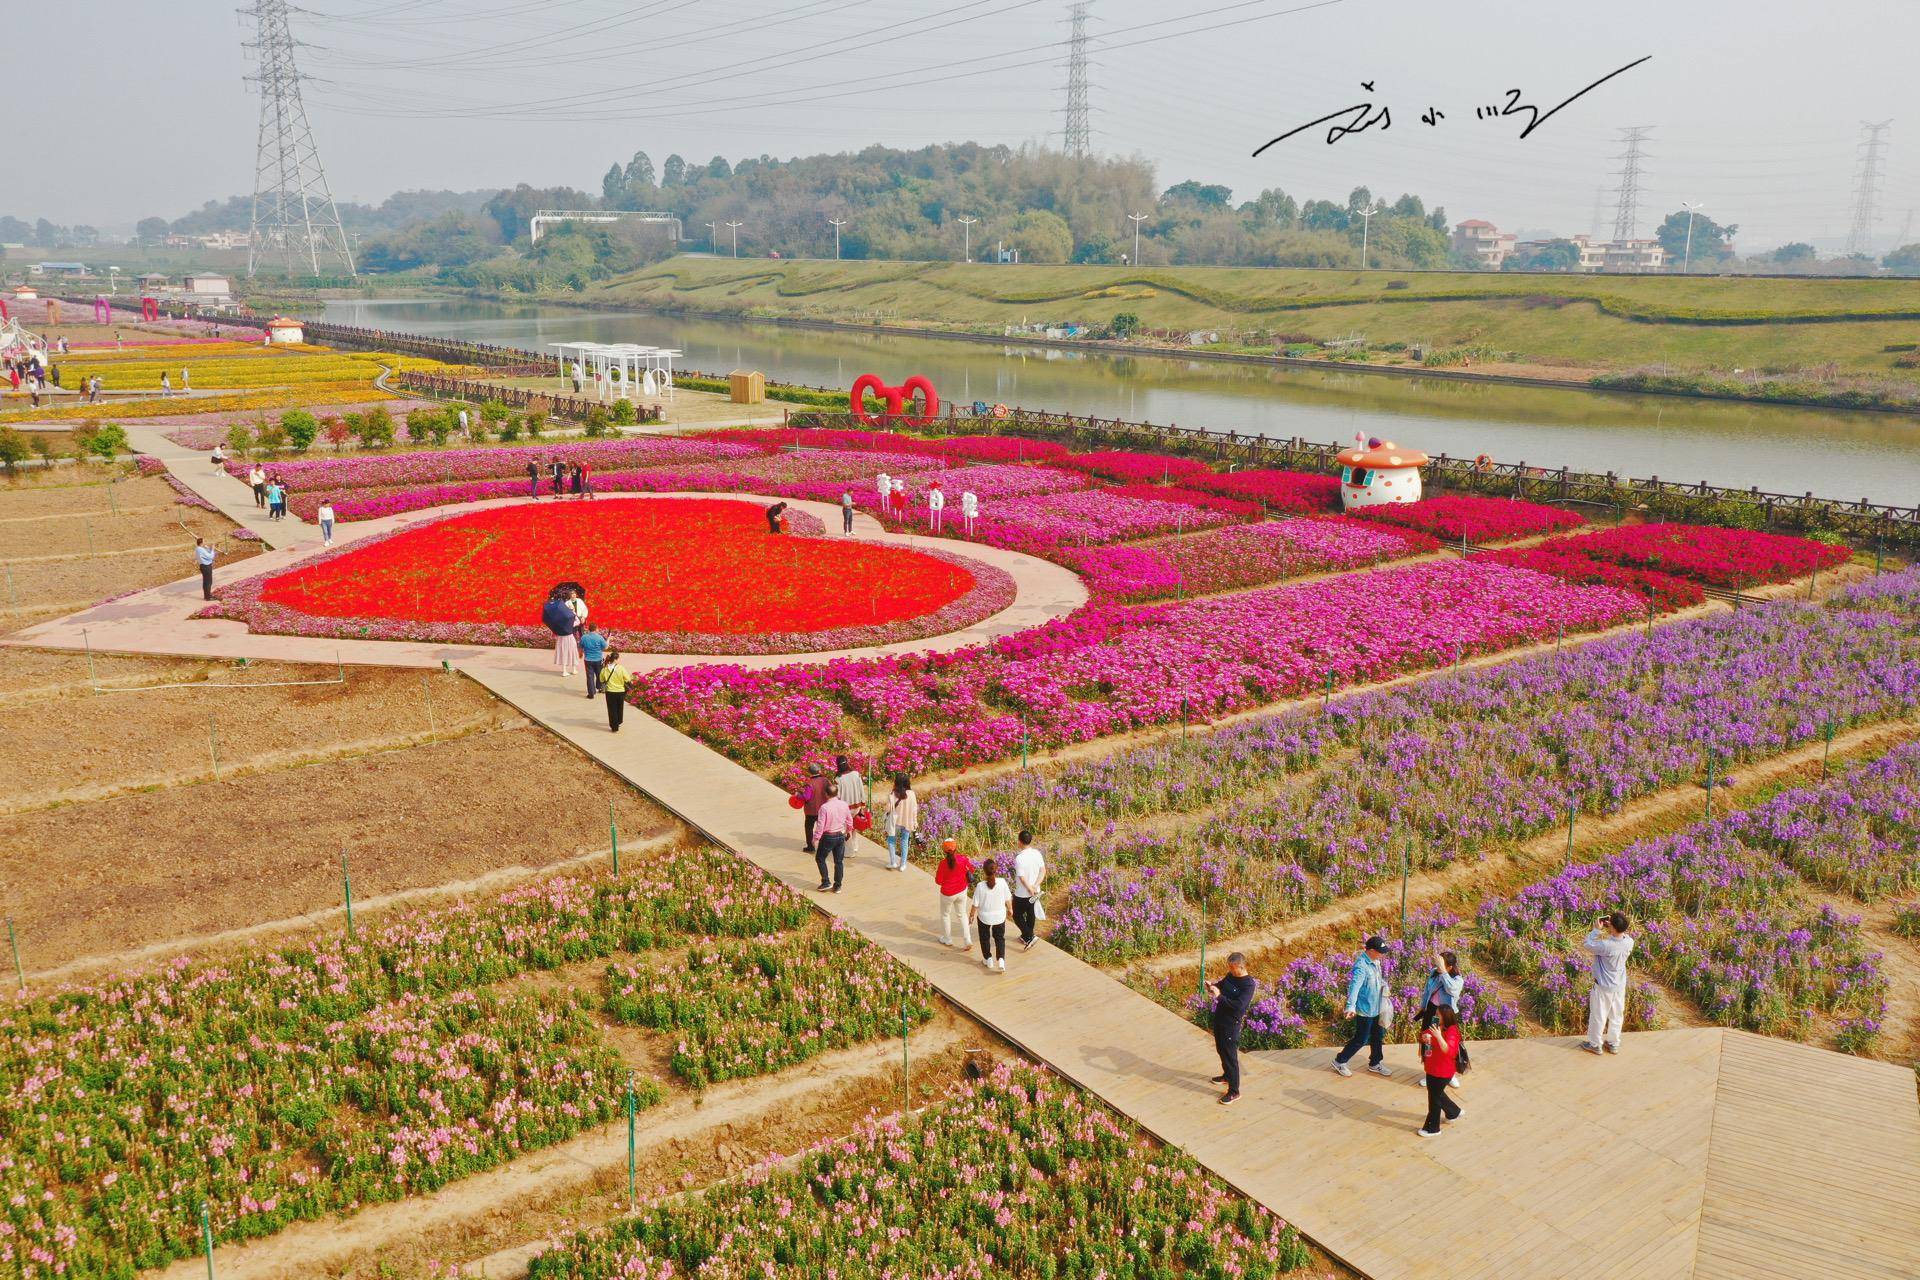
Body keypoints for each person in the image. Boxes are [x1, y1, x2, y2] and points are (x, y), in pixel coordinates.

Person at [1330, 936, 1392, 1078]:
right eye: (1379, 951)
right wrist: (1350, 1007)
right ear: (1370, 950)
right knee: (1361, 1039)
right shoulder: (1361, 966)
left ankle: (1375, 1063)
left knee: (1378, 1035)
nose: (1382, 954)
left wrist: (1384, 986)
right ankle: (1340, 1061)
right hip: (1365, 1010)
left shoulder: (1375, 962)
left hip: (1377, 1007)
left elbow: (1377, 980)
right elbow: (1354, 987)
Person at [1206, 952, 1258, 1106]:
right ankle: (1227, 1076)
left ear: (1241, 967)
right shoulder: (1231, 975)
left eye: (1232, 967)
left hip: (1231, 1024)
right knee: (1220, 1049)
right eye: (1229, 967)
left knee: (1230, 1057)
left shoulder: (1248, 984)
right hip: (1220, 1019)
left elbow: (1239, 1006)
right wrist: (1212, 986)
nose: (1229, 970)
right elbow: (1221, 985)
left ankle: (1234, 1091)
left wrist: (1219, 997)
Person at [1582, 912, 1635, 1056]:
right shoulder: (1629, 942)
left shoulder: (1606, 945)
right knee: (1617, 1015)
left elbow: (1587, 944)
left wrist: (1597, 929)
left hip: (1603, 987)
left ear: (1611, 927)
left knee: (1599, 1016)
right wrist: (1613, 927)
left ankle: (1595, 1044)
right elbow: (1622, 933)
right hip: (1619, 986)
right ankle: (1613, 1043)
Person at [1418, 946, 1471, 1083]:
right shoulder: (1434, 972)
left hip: (1445, 1014)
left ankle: (1451, 1073)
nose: (1437, 966)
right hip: (1431, 1011)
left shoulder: (1457, 980)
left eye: (1441, 964)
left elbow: (1452, 990)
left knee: (1448, 1043)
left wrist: (1443, 973)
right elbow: (1427, 991)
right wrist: (1422, 1007)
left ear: (1450, 967)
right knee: (1429, 1041)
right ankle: (1429, 1071)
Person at [1417, 1008, 1464, 1137]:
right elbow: (1425, 1035)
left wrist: (1437, 1036)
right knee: (1436, 1093)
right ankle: (1453, 1112)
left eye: (1438, 1014)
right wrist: (1425, 1037)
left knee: (1434, 1099)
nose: (1435, 1016)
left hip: (1443, 1071)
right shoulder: (1435, 1024)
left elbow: (1449, 1051)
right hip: (1432, 1067)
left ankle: (1433, 1128)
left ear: (1446, 1017)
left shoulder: (1452, 1031)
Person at [971, 859, 1013, 971]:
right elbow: (1008, 899)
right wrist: (1010, 909)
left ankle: (987, 959)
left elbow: (975, 904)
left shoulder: (980, 886)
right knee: (999, 938)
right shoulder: (1002, 882)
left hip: (984, 917)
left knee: (984, 938)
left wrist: (971, 916)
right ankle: (1001, 961)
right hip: (999, 916)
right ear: (996, 870)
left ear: (984, 871)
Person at [934, 838, 974, 948]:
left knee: (945, 915)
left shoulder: (942, 864)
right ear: (956, 848)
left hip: (947, 893)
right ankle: (967, 940)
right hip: (962, 891)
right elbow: (971, 870)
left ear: (944, 850)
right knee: (962, 915)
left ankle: (947, 939)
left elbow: (938, 881)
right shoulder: (963, 859)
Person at [1010, 830, 1046, 951]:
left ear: (1019, 842)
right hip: (1035, 891)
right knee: (1031, 912)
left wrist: (1029, 888)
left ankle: (1030, 936)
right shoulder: (1037, 853)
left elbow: (1022, 877)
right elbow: (1043, 870)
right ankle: (1026, 936)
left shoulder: (1020, 858)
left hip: (1022, 893)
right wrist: (1035, 886)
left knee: (1016, 915)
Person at [813, 789, 854, 893]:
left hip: (828, 836)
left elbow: (820, 825)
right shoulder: (844, 804)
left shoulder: (824, 807)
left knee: (820, 858)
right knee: (839, 861)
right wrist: (849, 831)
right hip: (840, 835)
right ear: (837, 793)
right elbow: (849, 820)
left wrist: (816, 838)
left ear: (826, 794)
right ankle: (838, 886)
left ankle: (826, 882)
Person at [881, 773, 918, 872]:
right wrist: (915, 821)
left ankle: (893, 862)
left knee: (891, 841)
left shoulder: (894, 793)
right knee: (904, 842)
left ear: (896, 782)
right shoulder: (912, 794)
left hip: (895, 823)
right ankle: (903, 865)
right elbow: (915, 809)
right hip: (907, 822)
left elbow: (887, 809)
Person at [543, 591, 579, 678]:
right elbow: (577, 621)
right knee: (572, 652)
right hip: (569, 638)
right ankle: (574, 669)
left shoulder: (557, 624)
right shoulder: (569, 622)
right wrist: (573, 613)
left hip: (561, 639)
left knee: (563, 653)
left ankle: (564, 670)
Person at [799, 764, 830, 853]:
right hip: (824, 809)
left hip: (811, 811)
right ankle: (825, 846)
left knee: (809, 828)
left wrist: (799, 794)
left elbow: (806, 797)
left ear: (810, 772)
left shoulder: (809, 783)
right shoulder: (825, 780)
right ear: (819, 771)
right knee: (824, 828)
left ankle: (810, 846)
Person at [598, 649, 631, 732]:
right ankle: (619, 721)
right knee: (620, 707)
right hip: (620, 691)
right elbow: (627, 678)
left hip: (610, 692)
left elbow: (601, 680)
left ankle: (614, 726)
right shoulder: (621, 668)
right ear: (616, 659)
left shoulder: (604, 669)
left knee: (611, 709)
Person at [579, 621, 607, 700]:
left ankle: (591, 693)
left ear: (589, 629)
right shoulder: (599, 637)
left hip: (588, 660)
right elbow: (605, 647)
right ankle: (600, 687)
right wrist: (608, 641)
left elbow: (580, 647)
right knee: (599, 675)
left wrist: (580, 654)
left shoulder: (584, 637)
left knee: (590, 676)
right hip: (598, 659)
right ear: (596, 629)